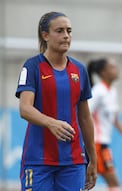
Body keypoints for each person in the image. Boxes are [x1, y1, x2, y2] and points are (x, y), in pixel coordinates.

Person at [15, 12, 97, 190]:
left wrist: (93, 159)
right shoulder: (32, 67)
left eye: (69, 31)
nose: (66, 35)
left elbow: (85, 118)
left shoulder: (79, 70)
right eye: (59, 31)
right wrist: (51, 123)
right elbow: (25, 108)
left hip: (73, 162)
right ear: (45, 35)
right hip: (38, 161)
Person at [87, 58, 122, 191]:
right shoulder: (98, 91)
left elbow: (115, 120)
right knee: (113, 183)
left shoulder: (112, 91)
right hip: (96, 144)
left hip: (103, 144)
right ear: (103, 72)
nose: (117, 70)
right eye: (113, 67)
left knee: (89, 182)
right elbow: (85, 114)